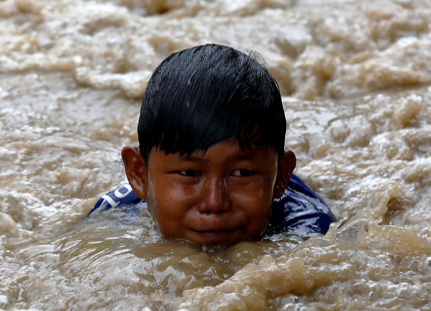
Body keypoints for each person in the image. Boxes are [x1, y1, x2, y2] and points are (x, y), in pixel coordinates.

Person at [88, 44, 334, 247]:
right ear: (139, 175)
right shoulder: (113, 214)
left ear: (280, 177)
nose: (215, 203)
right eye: (189, 173)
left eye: (241, 174)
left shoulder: (309, 235)